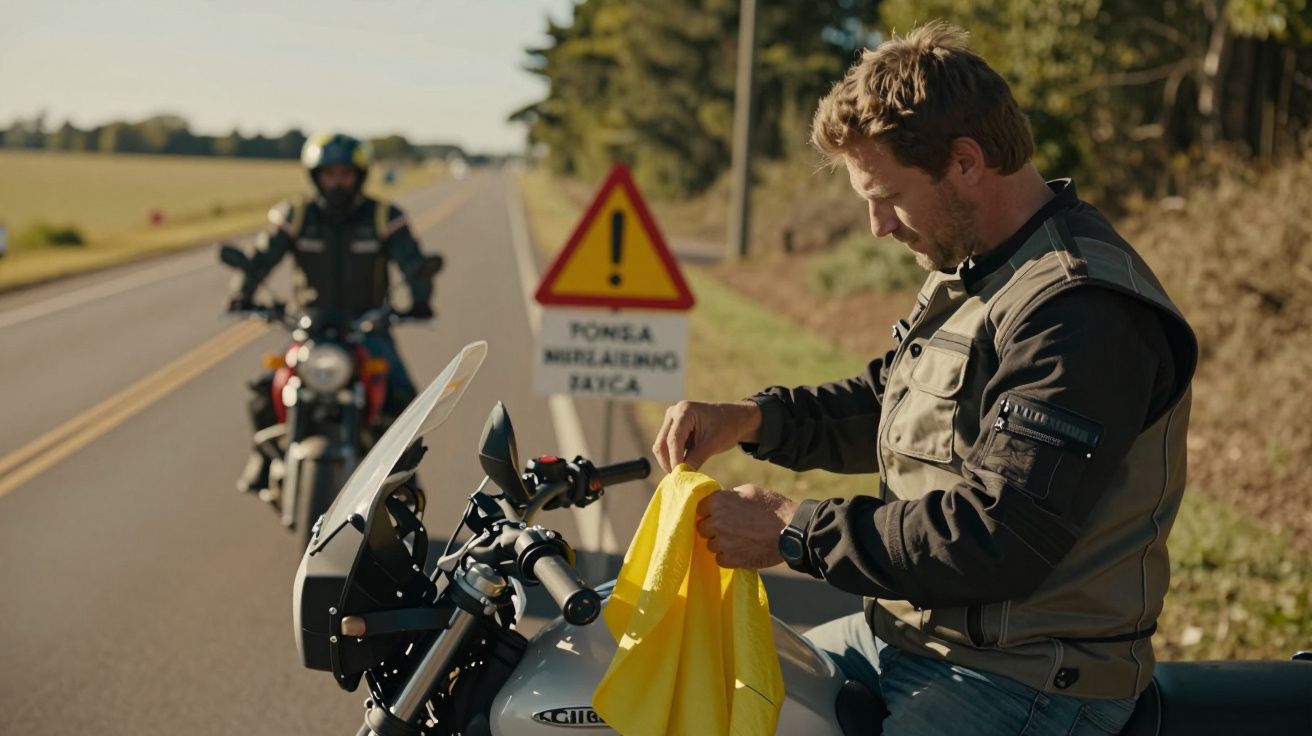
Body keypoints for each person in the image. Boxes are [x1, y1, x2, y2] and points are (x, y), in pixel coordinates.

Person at [652, 21, 1197, 736]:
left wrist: (793, 531)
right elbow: (894, 400)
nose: (877, 226)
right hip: (902, 638)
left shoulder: (1080, 312)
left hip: (1022, 678)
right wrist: (752, 419)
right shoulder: (981, 269)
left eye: (887, 196)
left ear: (966, 162)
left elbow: (994, 535)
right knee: (717, 704)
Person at [229, 132, 436, 494]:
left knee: (404, 397)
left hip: (367, 327)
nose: (337, 182)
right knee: (264, 391)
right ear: (315, 175)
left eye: (344, 174)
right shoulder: (296, 215)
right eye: (329, 174)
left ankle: (404, 483)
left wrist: (419, 299)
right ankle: (264, 458)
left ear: (359, 175)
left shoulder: (383, 216)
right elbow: (262, 257)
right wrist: (242, 293)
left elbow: (412, 262)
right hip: (310, 327)